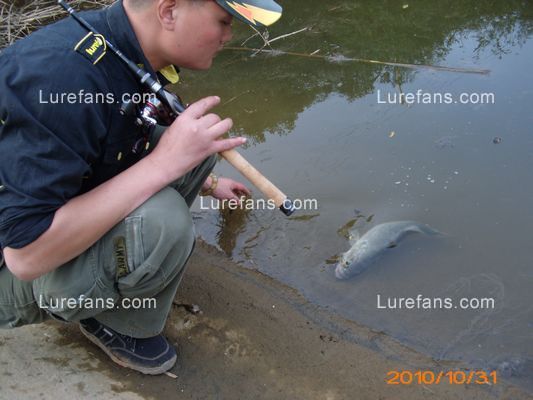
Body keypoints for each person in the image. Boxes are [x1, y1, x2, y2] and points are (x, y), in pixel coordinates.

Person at [0, 0, 282, 375]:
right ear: (169, 11)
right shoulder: (61, 78)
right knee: (164, 220)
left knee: (194, 149)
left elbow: (119, 137)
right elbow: (25, 256)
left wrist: (209, 182)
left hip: (42, 226)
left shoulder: (119, 46)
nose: (229, 36)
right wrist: (164, 164)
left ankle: (115, 277)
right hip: (13, 271)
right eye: (223, 21)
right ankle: (115, 322)